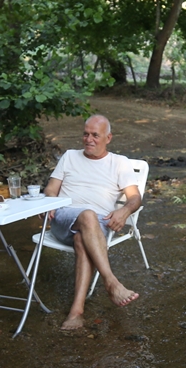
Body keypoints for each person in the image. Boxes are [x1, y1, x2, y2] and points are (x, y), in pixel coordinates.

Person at [44, 114, 141, 330]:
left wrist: (124, 211)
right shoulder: (70, 156)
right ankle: (111, 281)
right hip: (64, 216)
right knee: (87, 215)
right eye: (85, 134)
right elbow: (51, 188)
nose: (89, 139)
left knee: (82, 238)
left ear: (108, 137)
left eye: (95, 135)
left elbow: (134, 197)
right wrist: (49, 201)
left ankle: (76, 312)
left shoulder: (119, 162)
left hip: (96, 226)